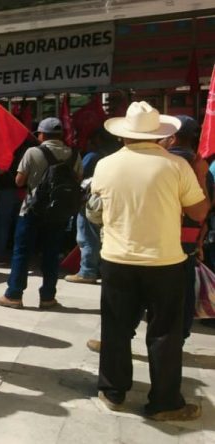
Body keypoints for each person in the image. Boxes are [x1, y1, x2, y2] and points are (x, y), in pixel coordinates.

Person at [93, 101, 209, 421]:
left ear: (123, 134)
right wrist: (200, 176)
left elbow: (98, 208)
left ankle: (112, 391)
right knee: (165, 333)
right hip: (164, 261)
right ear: (160, 135)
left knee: (116, 328)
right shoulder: (176, 166)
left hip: (117, 258)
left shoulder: (105, 165)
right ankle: (165, 403)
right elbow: (199, 212)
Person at [0, 117, 82, 310]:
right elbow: (77, 179)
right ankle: (48, 297)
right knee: (51, 254)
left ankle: (14, 295)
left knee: (22, 253)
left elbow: (19, 181)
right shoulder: (74, 154)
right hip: (58, 212)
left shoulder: (32, 152)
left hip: (32, 210)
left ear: (42, 135)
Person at [164, 115, 209, 340]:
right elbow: (206, 207)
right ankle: (180, 335)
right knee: (185, 286)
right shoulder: (201, 166)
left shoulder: (164, 163)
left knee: (156, 286)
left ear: (172, 137)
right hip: (191, 236)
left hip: (163, 232)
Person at [65, 128, 120, 284]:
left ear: (98, 140)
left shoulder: (93, 156)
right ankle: (100, 269)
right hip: (108, 200)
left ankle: (87, 271)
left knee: (87, 236)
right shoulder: (114, 156)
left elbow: (79, 174)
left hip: (91, 201)